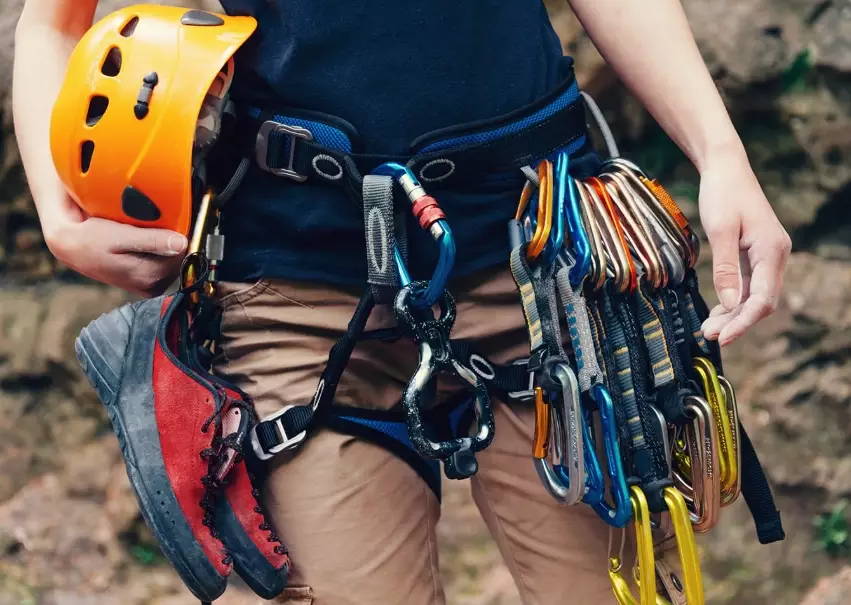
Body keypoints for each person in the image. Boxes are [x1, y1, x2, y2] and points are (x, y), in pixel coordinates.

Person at [14, 1, 791, 603]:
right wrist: (59, 212)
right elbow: (53, 22)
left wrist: (719, 151)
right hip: (295, 290)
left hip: (542, 261)